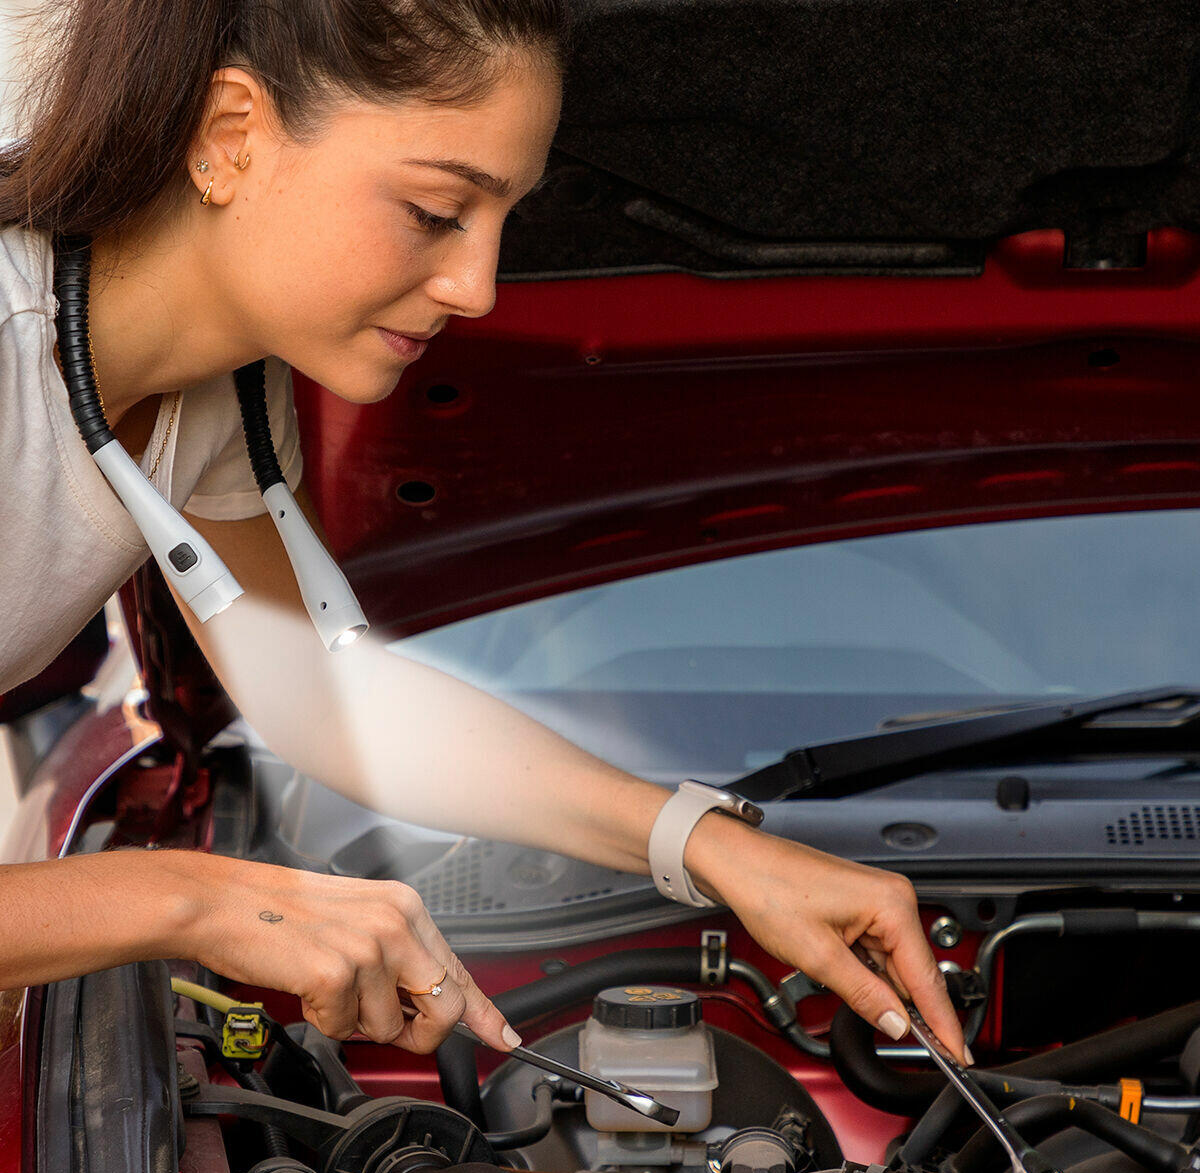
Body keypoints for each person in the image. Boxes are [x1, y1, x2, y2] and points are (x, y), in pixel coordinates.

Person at [0, 0, 969, 1066]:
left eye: (505, 219)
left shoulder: (225, 386)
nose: (479, 288)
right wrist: (205, 902)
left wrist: (703, 843)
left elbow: (322, 693)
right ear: (233, 137)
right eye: (434, 210)